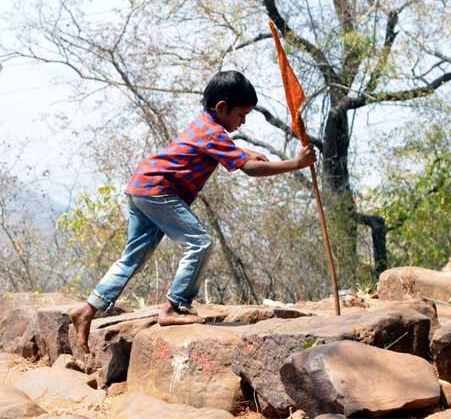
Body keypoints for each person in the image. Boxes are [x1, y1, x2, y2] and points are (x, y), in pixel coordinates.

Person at [69, 70, 315, 352]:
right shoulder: (213, 132)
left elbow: (222, 150)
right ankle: (173, 307)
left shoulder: (205, 125)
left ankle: (88, 310)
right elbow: (249, 170)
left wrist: (244, 151)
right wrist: (295, 164)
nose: (242, 121)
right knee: (200, 242)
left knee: (132, 257)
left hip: (140, 186)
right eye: (241, 115)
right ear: (222, 108)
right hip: (159, 190)